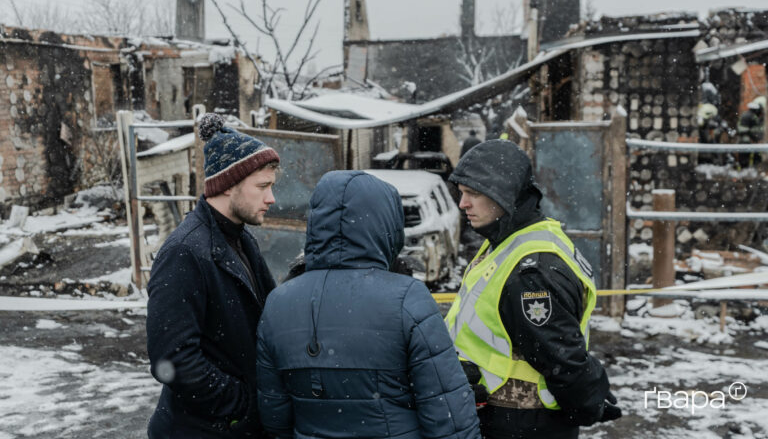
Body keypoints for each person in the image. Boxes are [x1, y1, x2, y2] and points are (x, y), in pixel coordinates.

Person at [256, 170, 481, 439]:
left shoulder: (279, 304)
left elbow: (274, 415)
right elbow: (449, 416)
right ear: (387, 225)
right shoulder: (407, 298)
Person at [444, 140, 621, 439]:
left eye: (472, 194)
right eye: (462, 194)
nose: (463, 204)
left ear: (504, 195)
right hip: (502, 418)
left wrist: (589, 402)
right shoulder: (507, 240)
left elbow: (562, 359)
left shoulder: (531, 273)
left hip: (522, 424)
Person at [146, 113, 280, 438]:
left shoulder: (240, 238)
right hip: (199, 430)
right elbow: (173, 360)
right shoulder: (184, 252)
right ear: (229, 184)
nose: (271, 198)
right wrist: (242, 404)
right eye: (262, 187)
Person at [737, 96, 766, 168]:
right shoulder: (747, 116)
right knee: (744, 161)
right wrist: (753, 137)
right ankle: (742, 175)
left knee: (756, 160)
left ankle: (753, 174)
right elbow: (742, 130)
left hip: (754, 143)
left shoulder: (755, 116)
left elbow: (758, 130)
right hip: (745, 143)